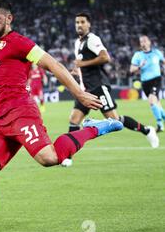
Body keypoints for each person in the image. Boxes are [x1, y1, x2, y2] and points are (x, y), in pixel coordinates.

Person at [0, 0, 123, 232]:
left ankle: (92, 129)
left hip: (20, 114)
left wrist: (78, 93)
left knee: (50, 158)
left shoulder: (21, 43)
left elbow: (52, 64)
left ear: (9, 19)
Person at [63, 13, 159, 167]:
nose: (79, 25)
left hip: (99, 86)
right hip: (86, 89)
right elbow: (82, 65)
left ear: (89, 24)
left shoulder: (92, 39)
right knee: (74, 119)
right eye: (76, 22)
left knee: (115, 121)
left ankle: (147, 130)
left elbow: (105, 57)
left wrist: (83, 64)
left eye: (82, 22)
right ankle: (67, 156)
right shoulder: (77, 43)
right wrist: (77, 71)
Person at [130, 35, 165, 132]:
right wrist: (140, 66)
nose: (143, 43)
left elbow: (163, 62)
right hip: (145, 82)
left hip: (156, 79)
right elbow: (132, 70)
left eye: (145, 41)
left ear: (149, 42)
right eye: (141, 42)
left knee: (152, 101)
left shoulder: (156, 53)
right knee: (156, 104)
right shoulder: (138, 55)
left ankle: (159, 125)